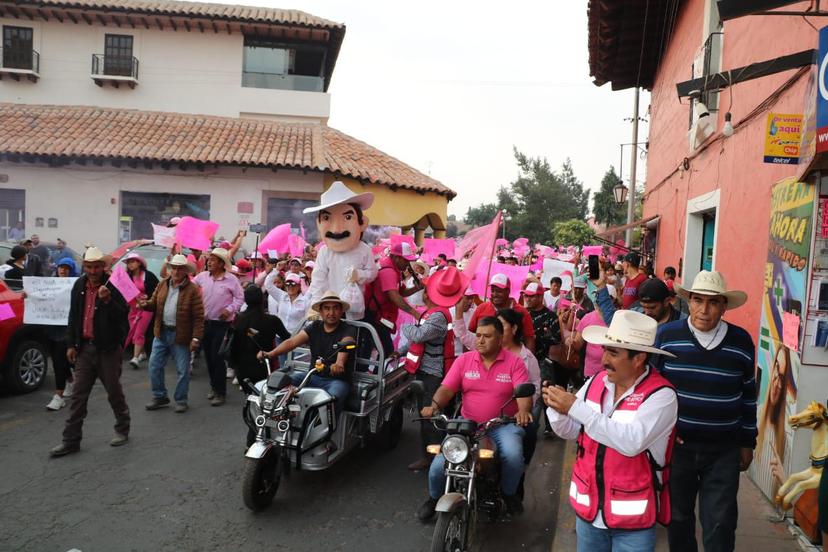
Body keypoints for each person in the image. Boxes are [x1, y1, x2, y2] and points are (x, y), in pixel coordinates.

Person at [545, 310, 678, 552]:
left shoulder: (662, 396)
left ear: (638, 358)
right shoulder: (596, 382)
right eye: (605, 349)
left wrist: (574, 406)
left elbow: (632, 442)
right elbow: (571, 431)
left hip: (632, 525)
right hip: (589, 514)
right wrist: (556, 408)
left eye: (613, 352)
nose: (604, 359)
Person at [652, 270, 756, 552]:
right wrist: (660, 436)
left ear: (724, 306)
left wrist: (748, 442)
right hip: (678, 448)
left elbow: (748, 395)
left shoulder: (741, 341)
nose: (705, 310)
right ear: (689, 302)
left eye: (713, 302)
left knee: (720, 521)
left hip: (724, 449)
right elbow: (652, 390)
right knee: (678, 517)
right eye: (698, 301)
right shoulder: (666, 336)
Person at [417, 317, 532, 520]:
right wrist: (434, 406)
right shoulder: (464, 360)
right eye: (478, 335)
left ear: (499, 338)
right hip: (467, 425)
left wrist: (522, 411)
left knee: (513, 456)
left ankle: (508, 493)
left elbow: (523, 393)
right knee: (438, 464)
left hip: (502, 426)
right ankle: (434, 498)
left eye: (487, 336)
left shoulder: (515, 362)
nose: (480, 340)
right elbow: (447, 388)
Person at [50, 247, 130, 457]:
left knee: (113, 391)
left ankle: (122, 427)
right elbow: (73, 316)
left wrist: (107, 301)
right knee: (78, 396)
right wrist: (70, 344)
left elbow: (124, 317)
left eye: (96, 267)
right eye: (89, 266)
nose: (93, 271)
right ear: (84, 266)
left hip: (108, 350)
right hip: (85, 349)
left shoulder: (113, 285)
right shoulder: (79, 285)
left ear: (103, 267)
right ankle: (71, 440)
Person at [399, 266, 466, 471]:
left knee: (432, 418)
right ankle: (431, 456)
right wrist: (400, 351)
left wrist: (404, 325)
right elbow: (418, 343)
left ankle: (436, 460)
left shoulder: (437, 316)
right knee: (426, 416)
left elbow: (418, 336)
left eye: (423, 289)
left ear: (428, 294)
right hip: (426, 371)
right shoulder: (431, 313)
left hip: (434, 374)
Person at [259, 291, 357, 416]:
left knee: (333, 399)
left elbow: (347, 342)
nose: (331, 313)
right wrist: (270, 354)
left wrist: (339, 363)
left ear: (341, 311)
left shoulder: (348, 329)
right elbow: (291, 342)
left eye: (335, 308)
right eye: (327, 308)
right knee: (277, 385)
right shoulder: (315, 326)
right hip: (312, 376)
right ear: (320, 312)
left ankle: (326, 433)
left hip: (337, 380)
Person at [304, 181, 379, 319]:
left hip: (353, 308)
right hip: (329, 310)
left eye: (347, 217)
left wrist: (359, 275)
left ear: (362, 223)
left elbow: (373, 273)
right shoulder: (325, 252)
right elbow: (318, 280)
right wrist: (315, 304)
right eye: (326, 218)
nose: (337, 229)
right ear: (319, 223)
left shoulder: (364, 249)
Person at [140, 254, 204, 413]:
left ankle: (181, 399)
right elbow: (153, 304)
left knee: (183, 371)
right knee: (154, 366)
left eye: (179, 268)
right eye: (173, 268)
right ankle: (160, 396)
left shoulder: (193, 289)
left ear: (185, 271)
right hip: (161, 332)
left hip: (181, 336)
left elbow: (198, 317)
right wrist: (144, 304)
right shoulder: (162, 284)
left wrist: (196, 338)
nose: (175, 271)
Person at [193, 247, 244, 407]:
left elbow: (240, 298)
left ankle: (220, 392)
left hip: (222, 324)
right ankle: (214, 387)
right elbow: (189, 286)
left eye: (213, 260)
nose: (209, 262)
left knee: (218, 357)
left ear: (222, 263)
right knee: (208, 357)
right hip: (205, 323)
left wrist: (229, 310)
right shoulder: (202, 277)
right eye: (209, 259)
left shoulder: (231, 280)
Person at [364, 241, 423, 356]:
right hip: (375, 317)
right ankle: (374, 373)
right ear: (396, 257)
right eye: (406, 260)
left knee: (379, 350)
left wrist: (416, 288)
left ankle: (374, 372)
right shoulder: (388, 272)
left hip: (380, 316)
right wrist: (413, 312)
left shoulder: (395, 270)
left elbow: (402, 292)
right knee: (386, 351)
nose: (408, 263)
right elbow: (394, 296)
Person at [229, 285, 290, 393]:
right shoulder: (272, 320)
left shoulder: (238, 319)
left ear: (245, 300)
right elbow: (288, 338)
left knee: (249, 397)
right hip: (264, 365)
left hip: (242, 367)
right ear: (262, 299)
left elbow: (234, 343)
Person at [467, 273, 536, 352]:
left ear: (508, 291)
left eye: (499, 291)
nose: (495, 294)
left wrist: (528, 360)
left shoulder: (522, 312)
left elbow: (529, 338)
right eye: (492, 291)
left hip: (512, 361)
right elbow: (470, 336)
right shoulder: (481, 309)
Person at [44, 257, 79, 411]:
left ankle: (58, 396)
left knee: (60, 361)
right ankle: (71, 380)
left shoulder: (78, 285)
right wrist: (28, 296)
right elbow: (40, 299)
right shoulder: (49, 285)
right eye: (60, 267)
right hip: (52, 329)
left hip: (69, 329)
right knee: (59, 359)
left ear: (71, 270)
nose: (63, 270)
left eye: (66, 268)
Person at [121, 252, 159, 369]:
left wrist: (148, 297)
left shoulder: (149, 276)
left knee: (139, 332)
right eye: (128, 262)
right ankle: (142, 353)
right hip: (133, 309)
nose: (130, 264)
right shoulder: (127, 277)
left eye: (132, 261)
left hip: (146, 308)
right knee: (133, 331)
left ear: (139, 262)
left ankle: (135, 357)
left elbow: (157, 290)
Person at [264, 271, 311, 336]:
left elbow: (309, 321)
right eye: (287, 284)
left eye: (293, 284)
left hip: (296, 338)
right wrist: (276, 270)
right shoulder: (281, 296)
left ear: (299, 286)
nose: (290, 286)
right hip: (280, 336)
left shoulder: (305, 300)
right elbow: (268, 284)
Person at [524, 282, 558, 361]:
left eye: (532, 296)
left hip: (542, 361)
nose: (528, 299)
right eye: (526, 296)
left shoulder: (551, 316)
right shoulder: (522, 313)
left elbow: (557, 340)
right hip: (522, 360)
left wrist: (541, 337)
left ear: (540, 297)